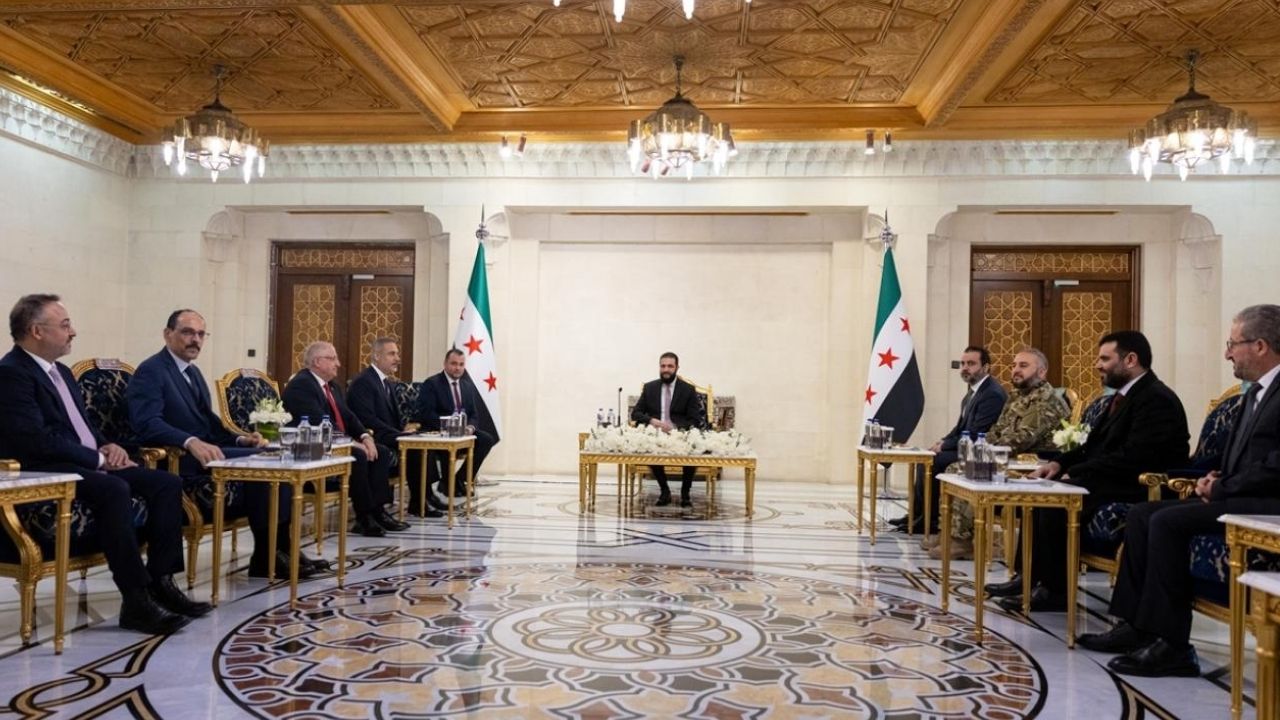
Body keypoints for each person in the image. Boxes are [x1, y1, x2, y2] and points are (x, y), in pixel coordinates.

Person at [1077, 305, 1280, 677]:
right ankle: (1135, 625)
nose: (1227, 354)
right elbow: (1240, 455)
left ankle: (1172, 645)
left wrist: (1223, 485)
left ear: (1260, 345)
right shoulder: (1256, 393)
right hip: (1237, 495)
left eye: (1233, 344)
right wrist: (1214, 475)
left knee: (1167, 522)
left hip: (1264, 505)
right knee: (1143, 515)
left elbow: (1275, 465)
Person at [0, 294, 207, 634]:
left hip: (83, 460)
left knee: (166, 483)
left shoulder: (61, 371)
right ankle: (136, 599)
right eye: (65, 325)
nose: (73, 332)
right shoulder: (11, 374)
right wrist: (96, 459)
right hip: (48, 468)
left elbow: (81, 426)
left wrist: (107, 446)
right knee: (114, 488)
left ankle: (162, 582)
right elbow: (34, 439)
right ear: (37, 331)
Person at [987, 330, 1189, 612]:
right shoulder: (1120, 398)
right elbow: (1091, 444)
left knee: (1055, 501)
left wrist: (1078, 472)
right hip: (1108, 477)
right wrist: (1058, 464)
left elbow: (1135, 457)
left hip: (1136, 484)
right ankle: (1028, 577)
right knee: (1039, 492)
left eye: (1105, 359)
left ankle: (1054, 591)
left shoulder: (1156, 399)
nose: (1097, 365)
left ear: (1130, 360)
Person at [127, 309, 332, 579]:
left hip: (208, 451)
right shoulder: (152, 371)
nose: (195, 340)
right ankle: (268, 555)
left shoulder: (192, 372)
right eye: (188, 332)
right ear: (168, 334)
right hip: (180, 458)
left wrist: (240, 438)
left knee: (273, 454)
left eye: (201, 334)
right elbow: (147, 423)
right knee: (266, 465)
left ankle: (280, 548)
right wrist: (189, 441)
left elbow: (208, 421)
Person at [926, 348, 1068, 559]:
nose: (1016, 370)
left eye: (1023, 366)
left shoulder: (1046, 400)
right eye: (1014, 365)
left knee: (964, 469)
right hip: (1008, 458)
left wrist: (984, 451)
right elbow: (996, 430)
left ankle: (961, 540)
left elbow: (1022, 438)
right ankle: (949, 532)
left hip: (1032, 464)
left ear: (1041, 372)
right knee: (956, 468)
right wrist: (982, 447)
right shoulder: (1016, 396)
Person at [281, 341, 408, 537]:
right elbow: (318, 423)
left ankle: (378, 511)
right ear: (317, 362)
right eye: (332, 359)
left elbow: (348, 417)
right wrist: (352, 443)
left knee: (380, 452)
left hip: (334, 442)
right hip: (312, 446)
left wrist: (365, 436)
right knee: (357, 455)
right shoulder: (302, 385)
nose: (338, 364)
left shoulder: (332, 386)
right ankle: (364, 517)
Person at [890, 346, 1006, 534]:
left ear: (985, 367)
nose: (965, 368)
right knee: (926, 458)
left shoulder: (992, 394)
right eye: (963, 363)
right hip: (966, 446)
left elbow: (976, 433)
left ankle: (930, 520)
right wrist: (941, 442)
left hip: (980, 451)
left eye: (971, 363)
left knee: (933, 462)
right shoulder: (972, 393)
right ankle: (916, 515)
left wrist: (944, 446)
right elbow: (959, 428)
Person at [347, 337, 441, 519]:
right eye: (392, 354)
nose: (397, 358)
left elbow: (393, 418)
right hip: (374, 435)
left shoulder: (386, 382)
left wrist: (404, 430)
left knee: (423, 442)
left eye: (397, 354)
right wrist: (398, 434)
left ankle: (423, 498)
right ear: (376, 356)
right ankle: (412, 502)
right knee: (415, 445)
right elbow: (367, 418)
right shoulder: (364, 382)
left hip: (388, 434)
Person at [415, 349, 496, 503]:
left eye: (461, 364)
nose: (457, 368)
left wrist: (470, 428)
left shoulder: (467, 386)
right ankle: (447, 484)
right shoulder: (432, 383)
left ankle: (459, 479)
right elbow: (426, 414)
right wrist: (449, 426)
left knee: (486, 439)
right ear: (445, 364)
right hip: (440, 431)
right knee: (448, 443)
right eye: (453, 364)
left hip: (463, 431)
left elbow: (473, 414)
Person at [629, 351, 707, 507]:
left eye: (670, 366)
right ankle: (664, 491)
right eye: (663, 366)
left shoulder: (688, 390)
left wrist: (675, 428)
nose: (666, 369)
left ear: (677, 367)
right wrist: (653, 421)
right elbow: (635, 413)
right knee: (651, 448)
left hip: (679, 433)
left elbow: (695, 419)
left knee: (691, 449)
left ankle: (685, 493)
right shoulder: (650, 388)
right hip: (656, 433)